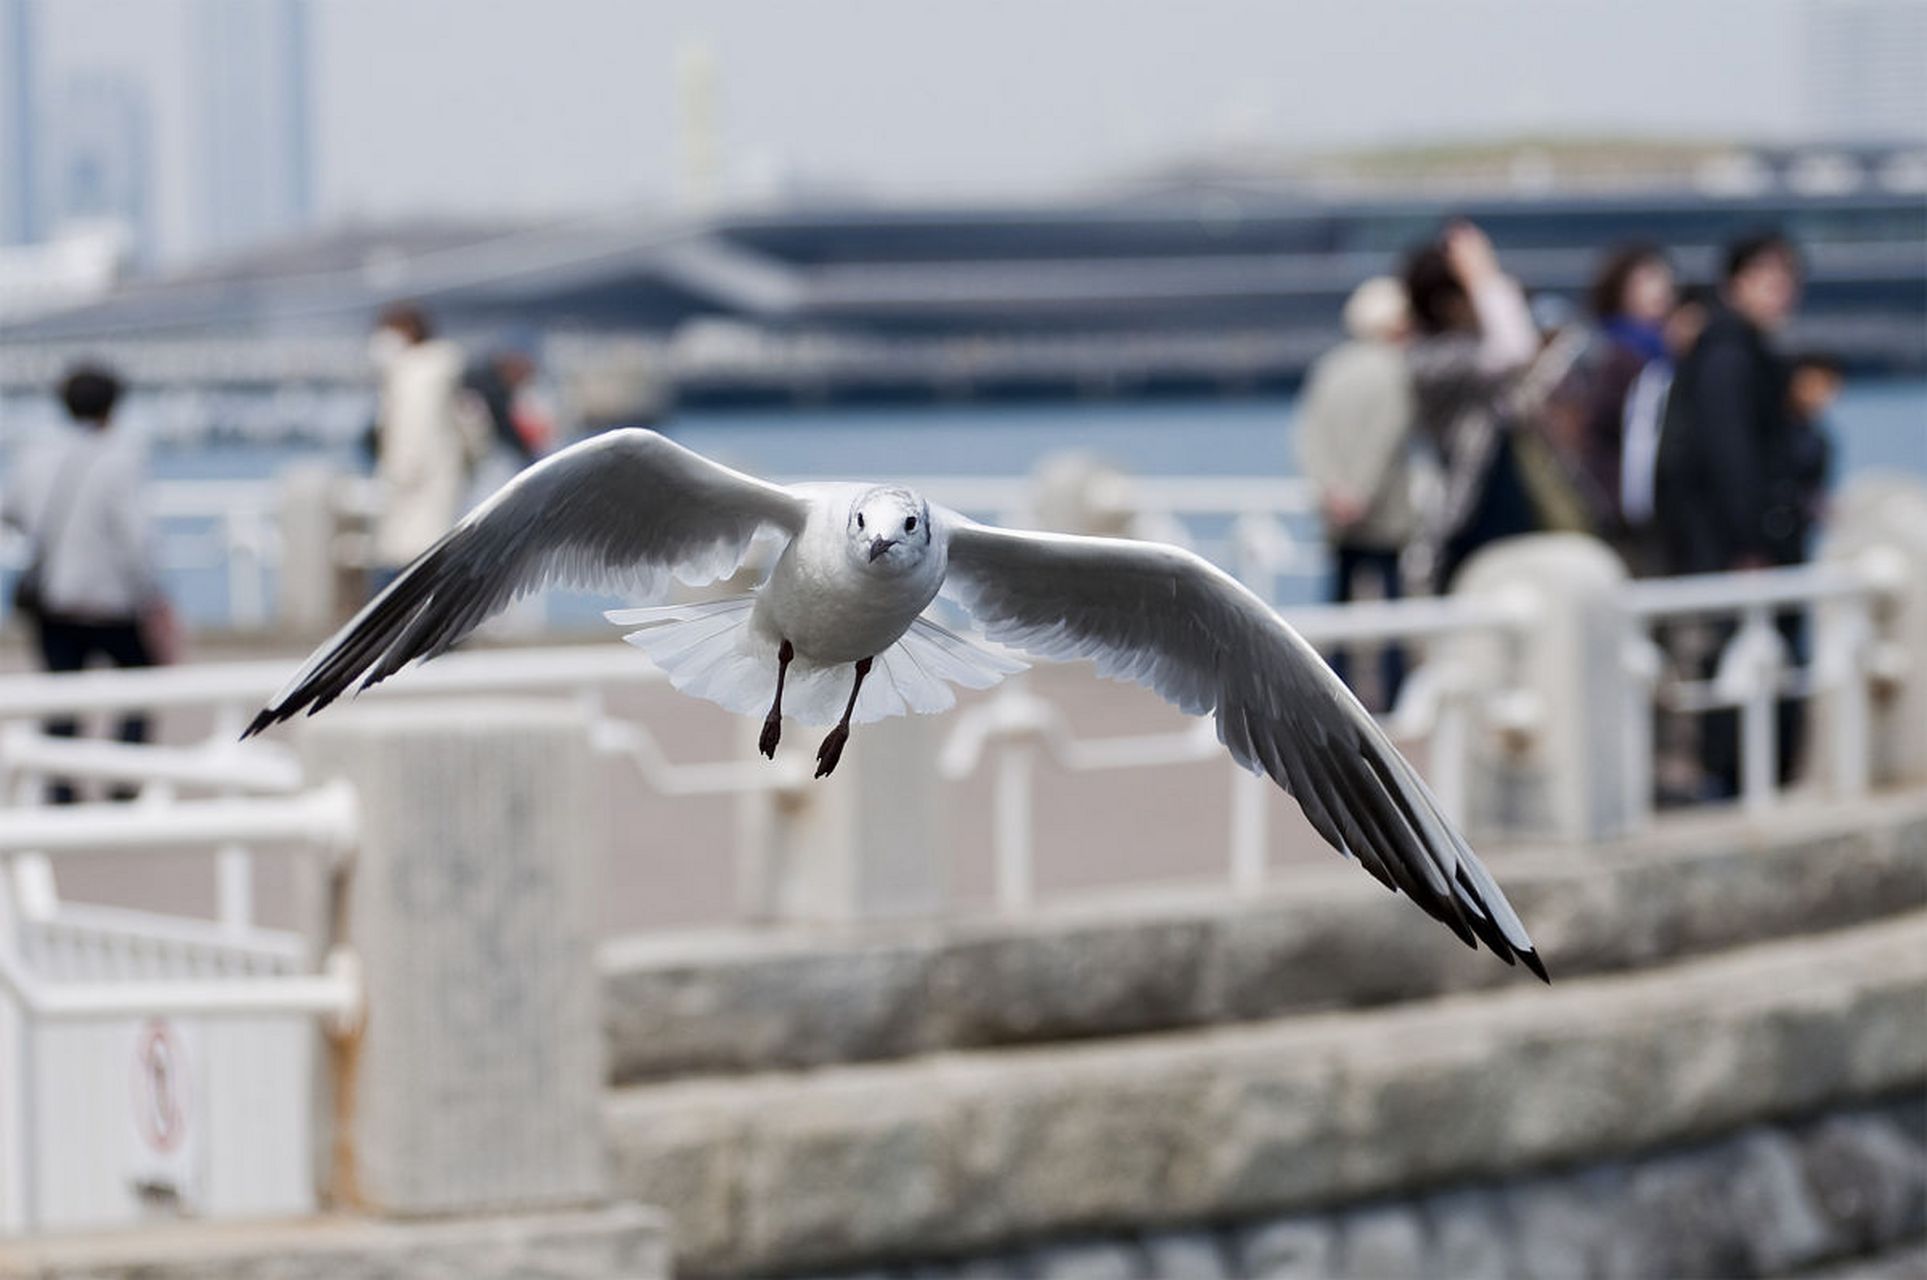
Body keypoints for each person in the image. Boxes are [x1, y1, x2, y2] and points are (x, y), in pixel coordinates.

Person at [1653, 231, 1809, 797]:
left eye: (1788, 280)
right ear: (1736, 284)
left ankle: (1741, 776)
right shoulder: (1730, 355)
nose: (1782, 292)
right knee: (1741, 669)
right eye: (1769, 279)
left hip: (1734, 544)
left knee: (1743, 668)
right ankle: (1738, 780)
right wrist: (1752, 543)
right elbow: (1731, 456)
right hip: (1741, 549)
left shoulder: (1730, 350)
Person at [1, 364, 177, 803]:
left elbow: (13, 511)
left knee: (63, 696)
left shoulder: (36, 453)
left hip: (54, 600)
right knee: (138, 689)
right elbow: (136, 538)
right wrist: (152, 593)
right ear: (113, 405)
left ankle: (62, 788)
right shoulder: (121, 456)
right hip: (112, 600)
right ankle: (124, 781)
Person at [1295, 276, 1423, 707]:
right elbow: (1386, 438)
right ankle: (1393, 699)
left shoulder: (1330, 367)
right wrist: (1361, 492)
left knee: (1339, 605)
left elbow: (1310, 436)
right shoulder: (1397, 369)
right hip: (1382, 514)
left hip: (1336, 513)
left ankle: (1334, 695)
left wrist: (1331, 490)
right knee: (1390, 610)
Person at [1401, 221, 1543, 591]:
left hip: (1489, 511)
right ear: (1448, 305)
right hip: (1473, 517)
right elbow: (1515, 348)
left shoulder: (1451, 352)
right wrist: (1482, 274)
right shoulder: (1433, 361)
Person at [367, 303, 476, 592]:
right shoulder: (439, 372)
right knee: (433, 563)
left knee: (398, 575)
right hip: (440, 482)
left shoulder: (414, 377)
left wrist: (397, 475)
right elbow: (472, 427)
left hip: (414, 488)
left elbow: (411, 434)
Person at [1579, 244, 1676, 554]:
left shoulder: (1664, 354)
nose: (1659, 290)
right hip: (1610, 505)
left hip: (1653, 504)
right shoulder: (1607, 352)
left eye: (1663, 280)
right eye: (1646, 280)